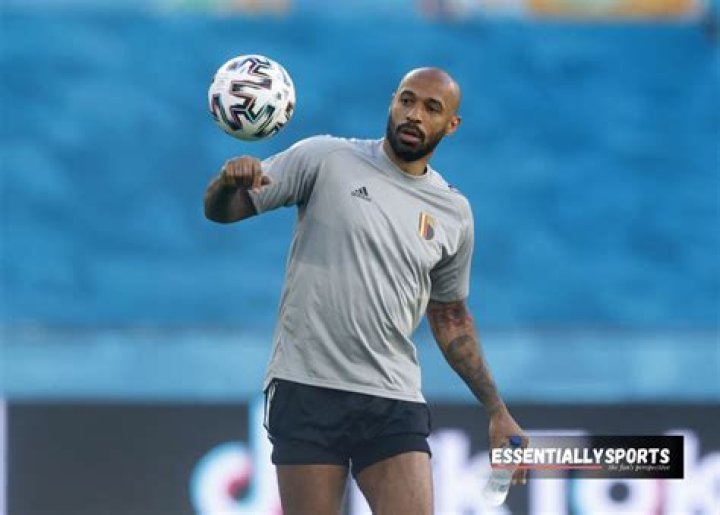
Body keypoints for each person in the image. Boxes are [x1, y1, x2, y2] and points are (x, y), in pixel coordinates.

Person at [204, 67, 527, 515]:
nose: (414, 115)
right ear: (392, 101)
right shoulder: (325, 158)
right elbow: (224, 211)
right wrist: (226, 184)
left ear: (451, 124)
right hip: (307, 387)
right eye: (407, 100)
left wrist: (496, 409)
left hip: (392, 396)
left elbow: (451, 318)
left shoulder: (453, 212)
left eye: (431, 108)